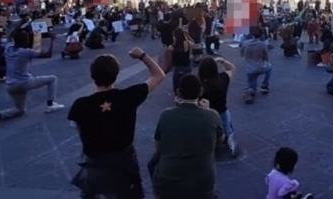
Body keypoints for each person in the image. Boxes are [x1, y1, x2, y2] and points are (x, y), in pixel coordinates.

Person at [68, 48, 166, 199]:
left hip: (95, 164)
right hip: (124, 164)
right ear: (116, 74)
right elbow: (159, 75)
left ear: (92, 75)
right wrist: (142, 55)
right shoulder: (128, 96)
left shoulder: (80, 105)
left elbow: (80, 131)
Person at [151, 74, 222, 199]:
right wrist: (207, 111)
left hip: (168, 181)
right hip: (202, 184)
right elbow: (220, 140)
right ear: (201, 91)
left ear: (178, 92)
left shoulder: (165, 115)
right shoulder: (212, 116)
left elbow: (159, 147)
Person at [0, 29, 61, 127]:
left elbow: (10, 36)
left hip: (10, 85)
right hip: (24, 82)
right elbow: (48, 55)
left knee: (19, 110)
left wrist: (19, 27)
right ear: (25, 41)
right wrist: (52, 40)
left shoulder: (8, 48)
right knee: (52, 78)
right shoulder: (26, 52)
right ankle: (51, 104)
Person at [198, 56, 237, 156]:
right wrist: (222, 60)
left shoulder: (199, 84)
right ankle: (229, 141)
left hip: (205, 113)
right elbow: (232, 68)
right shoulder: (223, 79)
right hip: (222, 111)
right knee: (227, 128)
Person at [240, 27, 272, 104]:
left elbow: (241, 54)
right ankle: (264, 85)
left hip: (250, 69)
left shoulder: (245, 43)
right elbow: (267, 59)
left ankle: (249, 91)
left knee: (252, 88)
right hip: (261, 67)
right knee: (270, 67)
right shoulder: (262, 44)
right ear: (261, 35)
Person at [169, 27, 193, 93]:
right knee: (187, 82)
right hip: (187, 66)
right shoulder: (188, 43)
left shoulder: (172, 47)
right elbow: (193, 42)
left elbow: (170, 57)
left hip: (177, 67)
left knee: (176, 84)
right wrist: (187, 34)